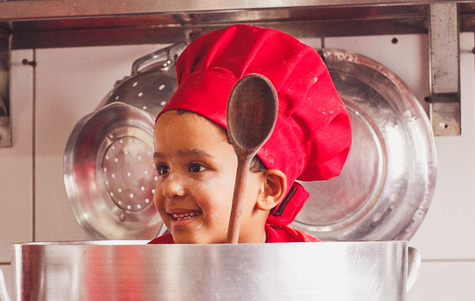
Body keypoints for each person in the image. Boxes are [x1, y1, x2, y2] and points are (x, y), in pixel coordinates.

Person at [150, 24, 352, 244]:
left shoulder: (307, 266)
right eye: (163, 169)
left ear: (268, 189)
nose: (169, 187)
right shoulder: (148, 265)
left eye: (196, 167)